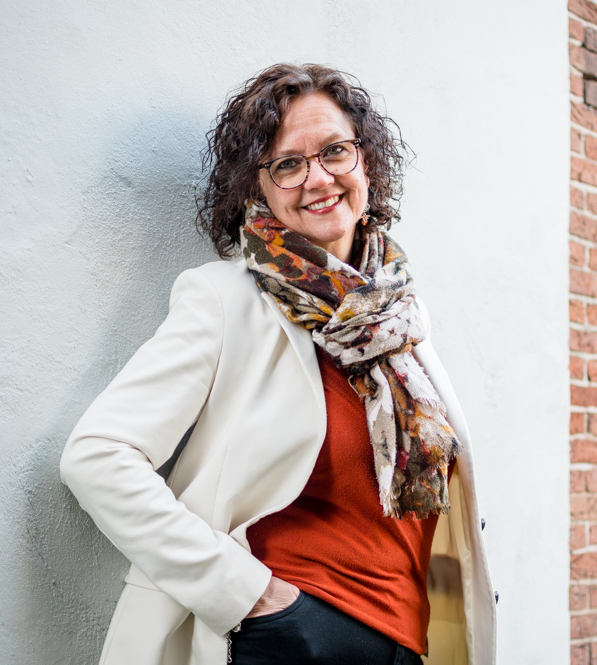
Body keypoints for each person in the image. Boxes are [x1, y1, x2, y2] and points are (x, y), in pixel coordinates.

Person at [60, 63, 496, 665]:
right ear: (257, 187)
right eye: (288, 164)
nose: (318, 178)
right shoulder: (225, 300)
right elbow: (96, 456)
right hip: (289, 639)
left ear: (366, 161)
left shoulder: (398, 317)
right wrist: (252, 596)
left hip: (404, 639)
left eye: (335, 151)